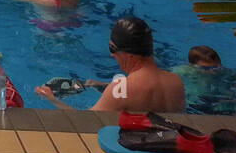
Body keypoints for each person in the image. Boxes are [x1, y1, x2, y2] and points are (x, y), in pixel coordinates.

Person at [35, 16, 184, 113]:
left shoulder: (120, 88)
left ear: (129, 54)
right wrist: (103, 85)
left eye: (112, 49)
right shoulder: (175, 82)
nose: (112, 55)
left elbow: (84, 122)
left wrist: (52, 99)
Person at [173, 46, 236, 116]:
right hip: (193, 105)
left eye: (217, 67)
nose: (213, 71)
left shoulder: (227, 73)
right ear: (191, 66)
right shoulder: (180, 73)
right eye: (207, 68)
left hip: (219, 103)